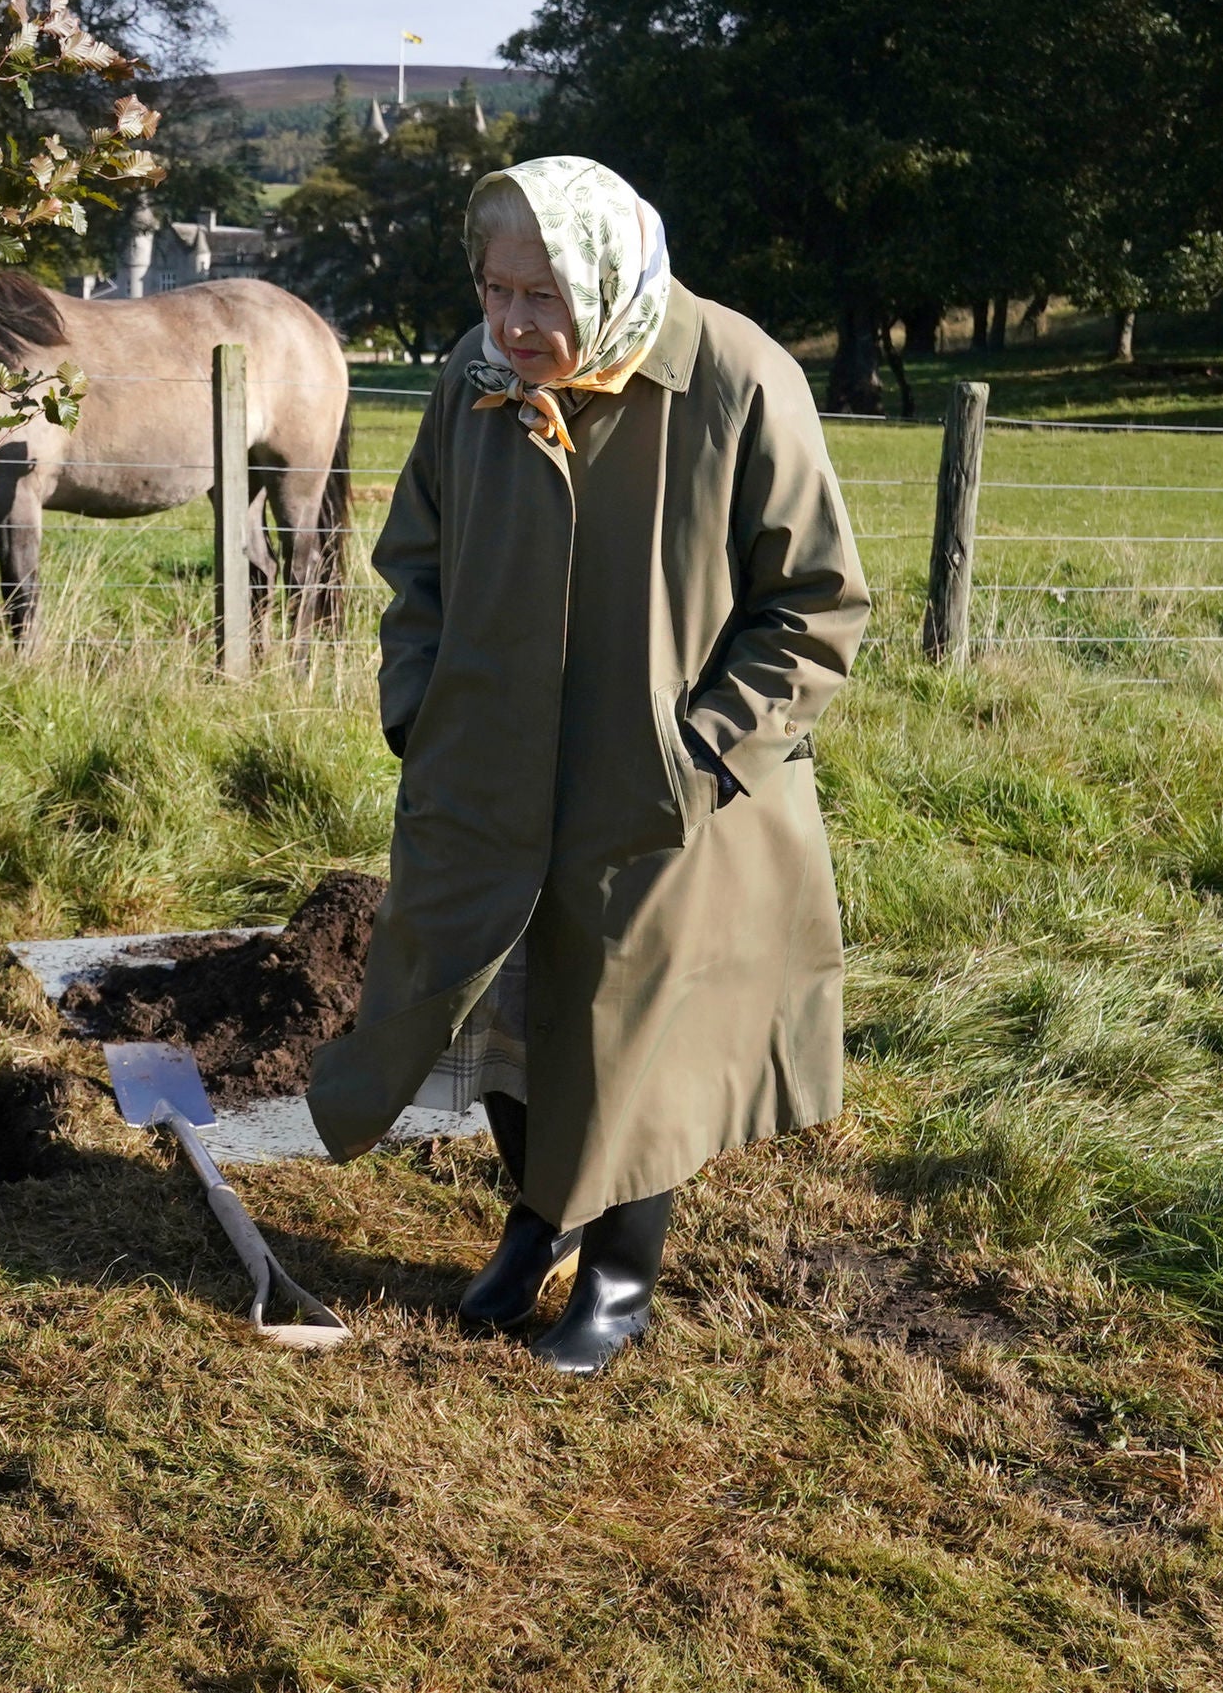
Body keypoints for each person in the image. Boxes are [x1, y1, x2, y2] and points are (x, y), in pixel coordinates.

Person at [306, 156, 869, 1375]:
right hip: (487, 774)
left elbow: (816, 603)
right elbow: (415, 563)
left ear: (606, 276)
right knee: (498, 1007)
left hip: (660, 797)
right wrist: (418, 704)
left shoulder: (733, 376)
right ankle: (538, 1216)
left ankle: (619, 1274)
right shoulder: (473, 378)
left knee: (628, 1031)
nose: (510, 323)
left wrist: (699, 751)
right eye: (492, 287)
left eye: (540, 296)